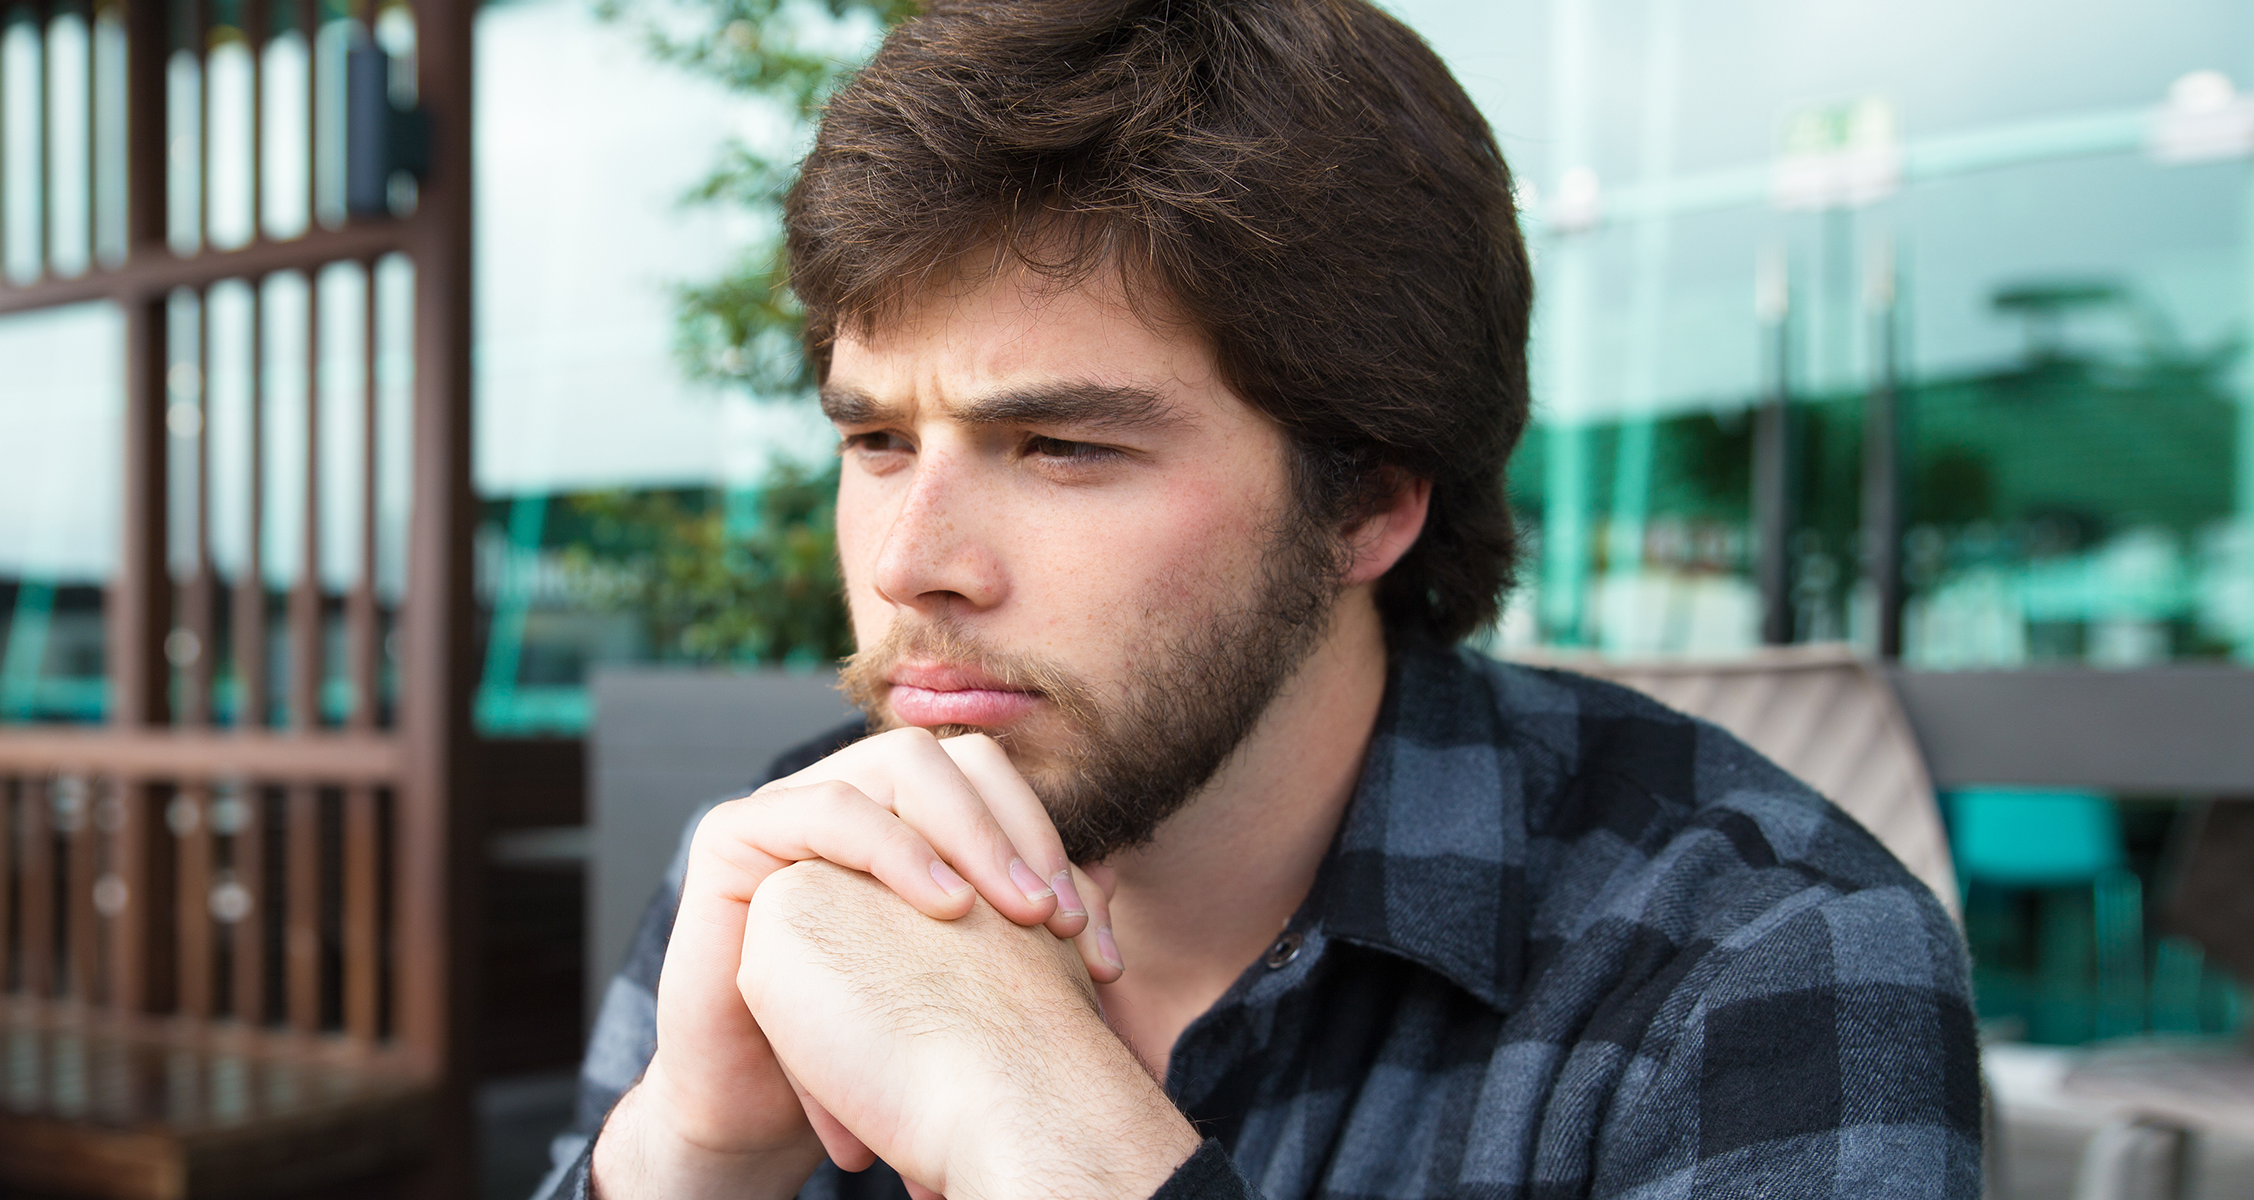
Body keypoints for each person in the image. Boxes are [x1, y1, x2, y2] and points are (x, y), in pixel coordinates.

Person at [540, 0, 1980, 1196]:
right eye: (876, 441)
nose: (911, 560)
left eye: (1062, 447)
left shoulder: (1754, 961)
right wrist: (691, 1154)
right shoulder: (799, 860)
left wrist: (1053, 1133)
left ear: (1367, 499)